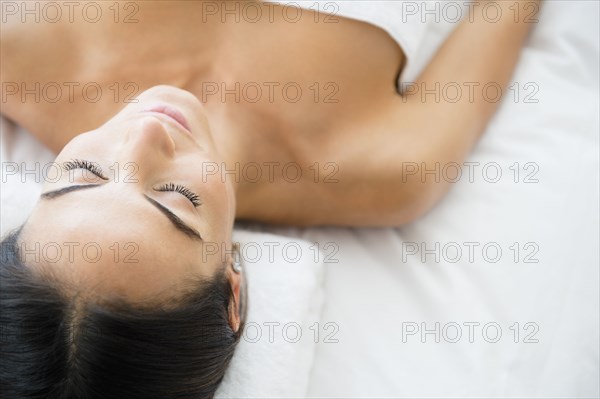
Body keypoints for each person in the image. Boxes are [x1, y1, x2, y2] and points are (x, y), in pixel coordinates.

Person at [0, 1, 540, 397]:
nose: (144, 137)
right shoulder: (388, 168)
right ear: (234, 289)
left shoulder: (17, 48)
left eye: (80, 174)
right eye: (178, 198)